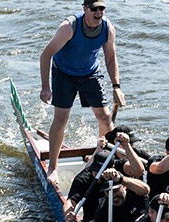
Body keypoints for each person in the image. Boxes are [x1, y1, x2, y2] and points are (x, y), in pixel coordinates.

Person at [39, 0, 125, 186]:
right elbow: (46, 55)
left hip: (90, 74)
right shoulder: (69, 27)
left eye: (102, 9)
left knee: (105, 117)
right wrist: (46, 87)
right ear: (85, 9)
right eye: (94, 9)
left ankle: (99, 158)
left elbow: (110, 57)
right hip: (64, 74)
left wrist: (116, 86)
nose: (98, 13)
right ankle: (53, 167)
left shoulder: (107, 28)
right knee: (61, 117)